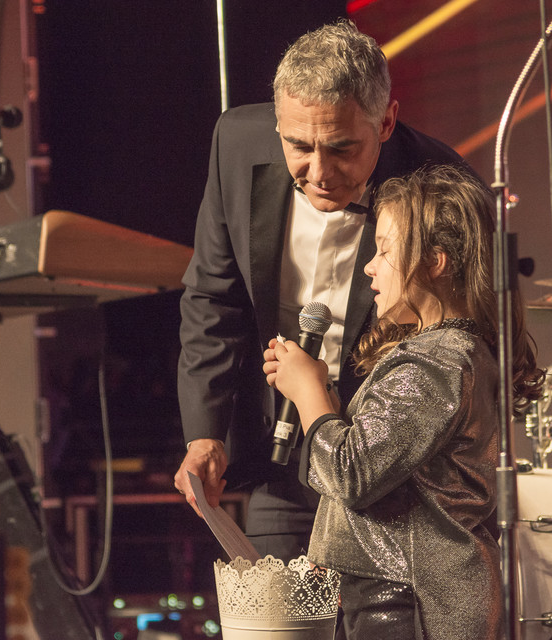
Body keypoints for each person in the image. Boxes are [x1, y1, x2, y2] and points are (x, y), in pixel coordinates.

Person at [173, 19, 476, 560]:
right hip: (283, 459)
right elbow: (213, 299)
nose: (318, 172)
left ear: (386, 122)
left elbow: (457, 337)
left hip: (392, 470)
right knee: (273, 602)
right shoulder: (235, 142)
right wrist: (204, 435)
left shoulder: (440, 182)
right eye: (298, 146)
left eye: (341, 148)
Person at [262, 165, 543, 638]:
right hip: (405, 595)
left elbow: (352, 474)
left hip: (413, 604)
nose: (369, 266)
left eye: (385, 250)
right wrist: (325, 401)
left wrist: (309, 394)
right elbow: (378, 474)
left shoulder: (436, 361)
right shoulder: (446, 353)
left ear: (436, 262)